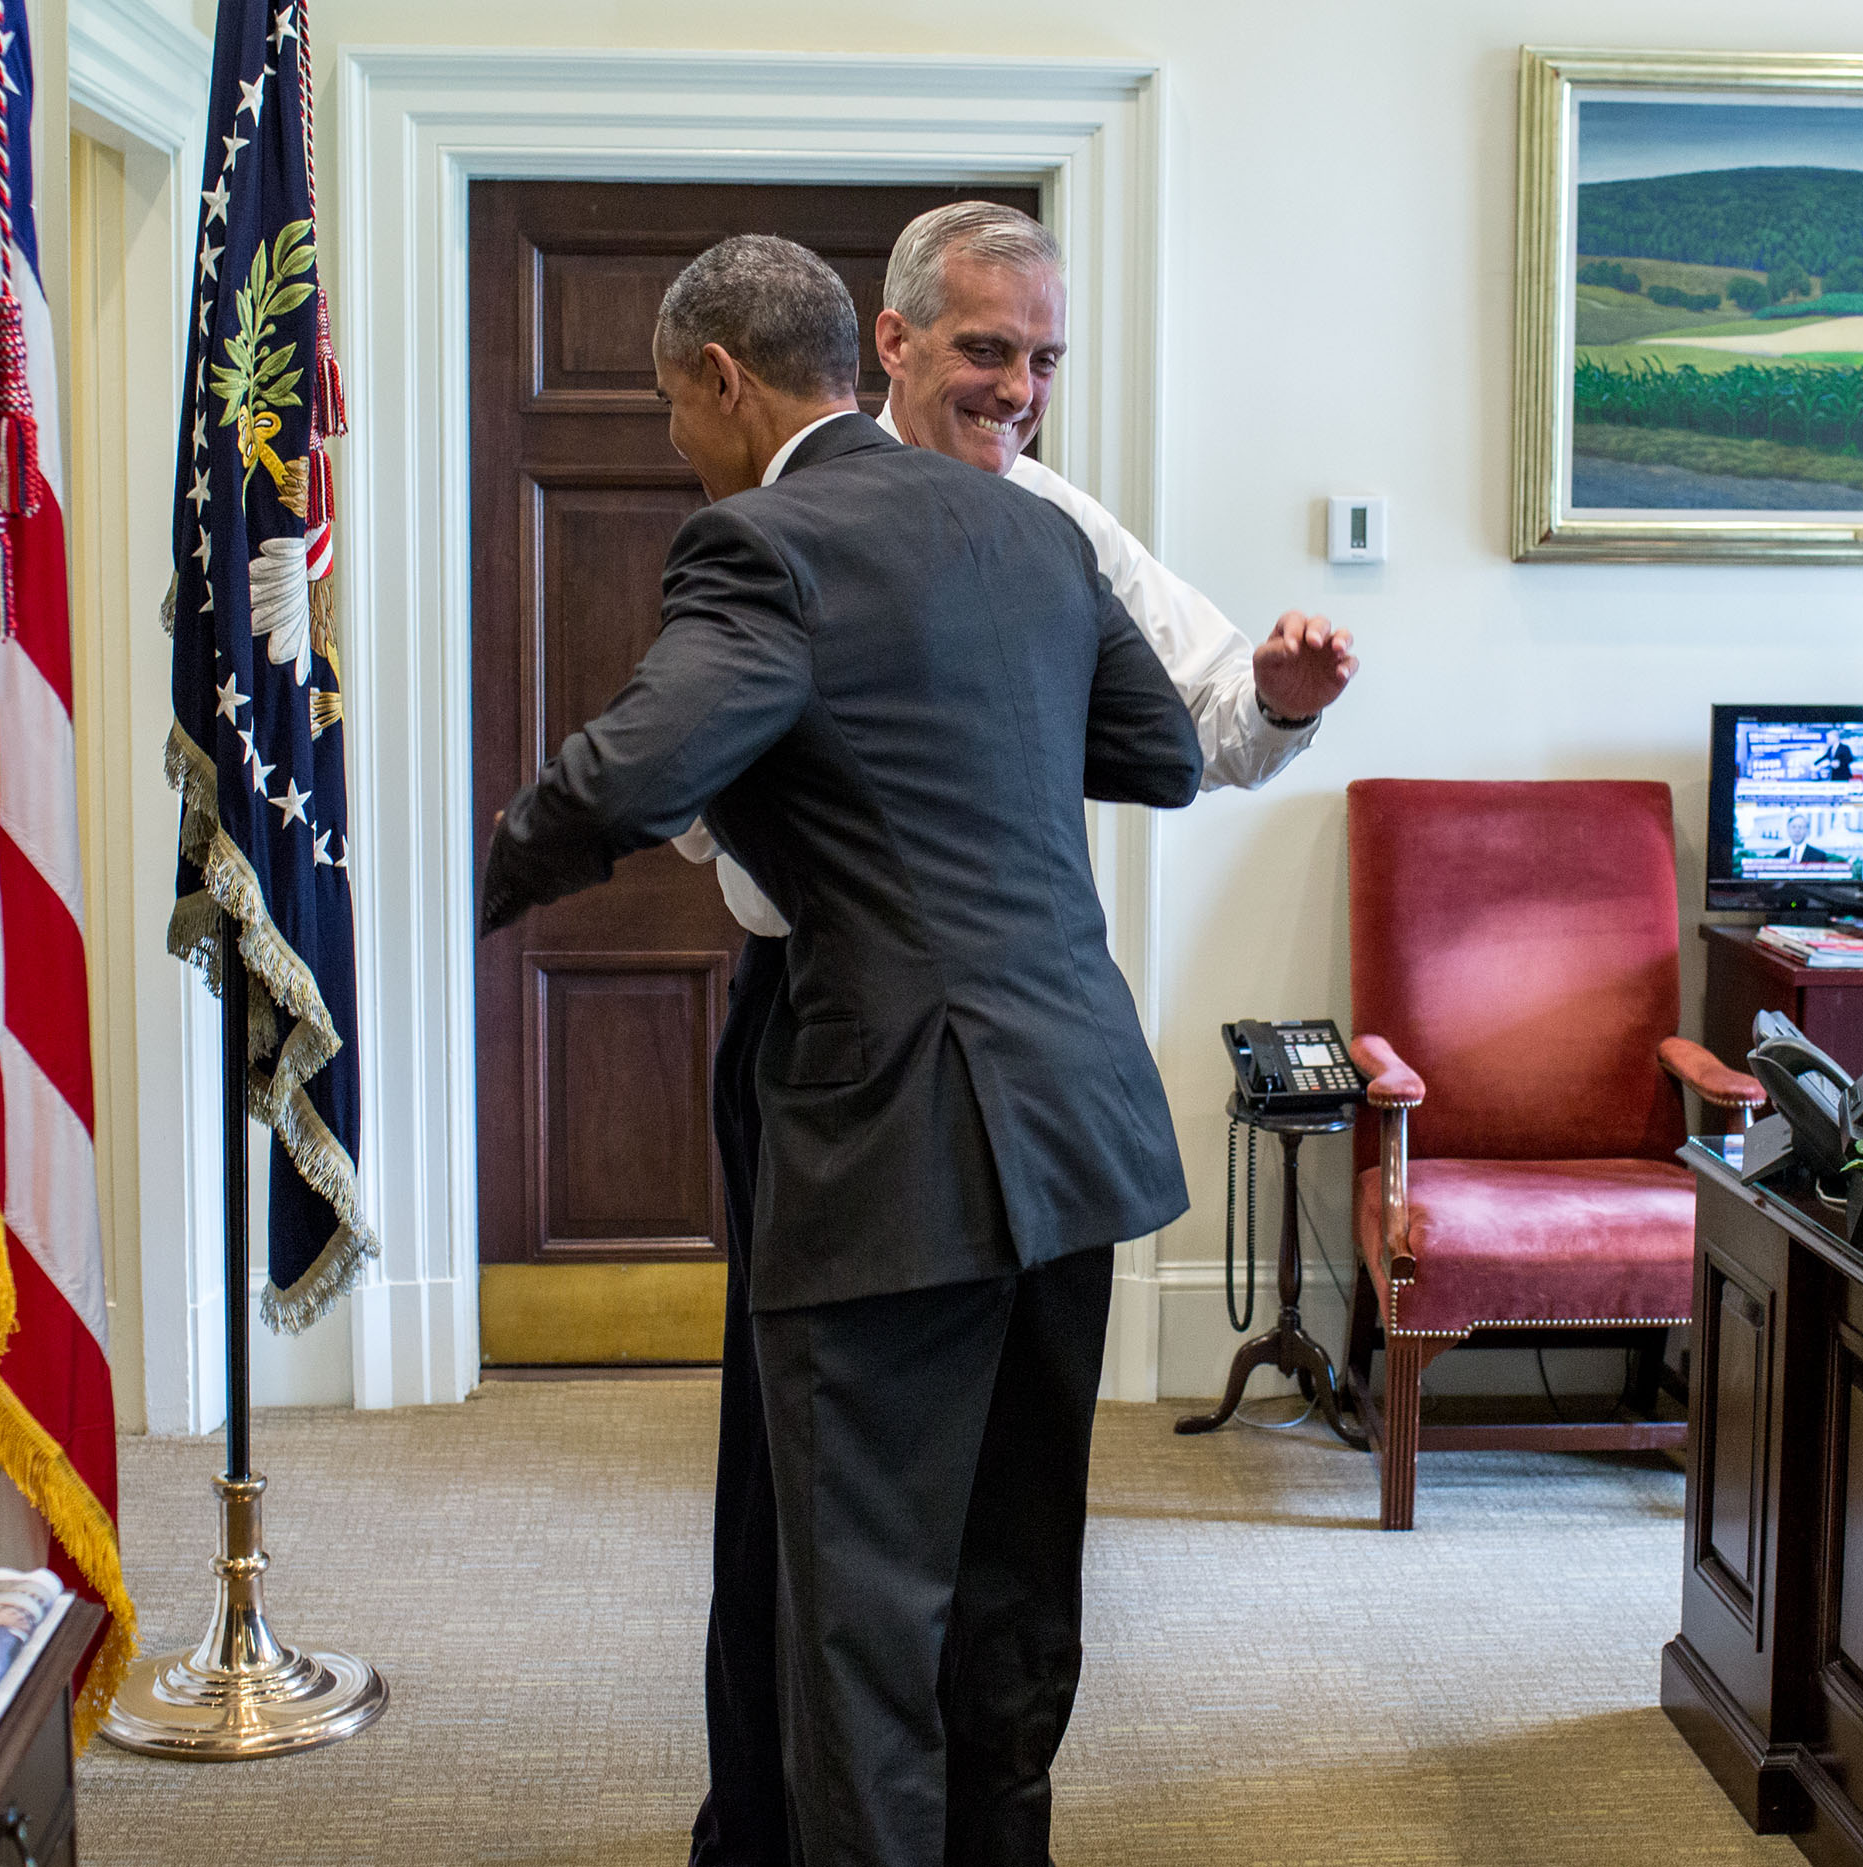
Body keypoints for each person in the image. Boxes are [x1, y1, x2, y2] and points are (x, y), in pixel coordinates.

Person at [480, 234, 1204, 1867]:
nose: (677, 445)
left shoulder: (763, 547)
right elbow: (1156, 750)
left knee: (862, 1618)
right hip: (1079, 1131)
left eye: (675, 411)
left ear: (724, 380)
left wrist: (460, 892)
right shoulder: (1031, 529)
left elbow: (622, 780)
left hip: (894, 1146)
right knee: (1017, 1583)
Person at [680, 201, 1357, 1867]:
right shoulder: (772, 529)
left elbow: (1201, 728)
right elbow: (703, 819)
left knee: (1019, 1491)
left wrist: (1278, 693)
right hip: (832, 1044)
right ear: (893, 344)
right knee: (814, 1501)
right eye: (987, 352)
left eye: (1043, 359)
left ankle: (995, 1838)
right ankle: (781, 1829)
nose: (1018, 391)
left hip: (1036, 1067)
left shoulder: (1057, 522)